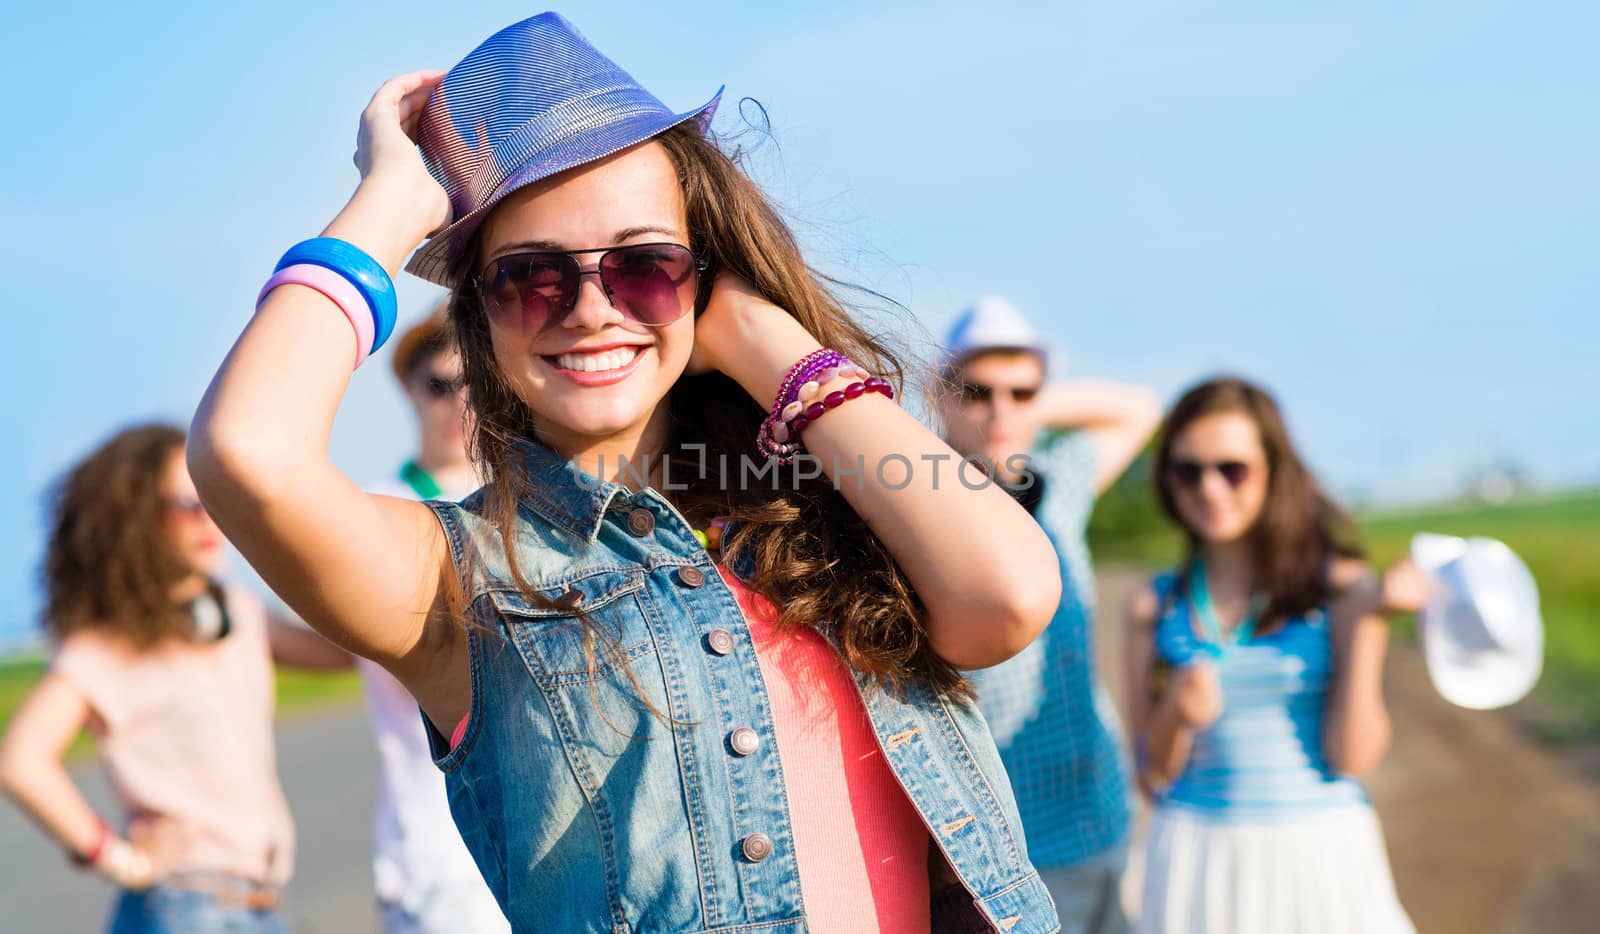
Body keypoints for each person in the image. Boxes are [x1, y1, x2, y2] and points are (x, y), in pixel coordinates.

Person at [188, 12, 1064, 934]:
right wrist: (389, 205)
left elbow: (1008, 595)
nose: (593, 309)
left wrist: (772, 347)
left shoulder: (834, 512)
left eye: (645, 265)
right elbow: (248, 452)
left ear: (707, 277)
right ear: (480, 315)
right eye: (532, 276)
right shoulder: (459, 577)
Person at [0, 424, 349, 933]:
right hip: (186, 907)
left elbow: (346, 652)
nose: (208, 519)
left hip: (257, 905)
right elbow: (20, 762)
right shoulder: (108, 645)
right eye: (187, 504)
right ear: (136, 521)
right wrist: (118, 858)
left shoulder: (236, 614)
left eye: (213, 498)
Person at [1125, 377, 1418, 934]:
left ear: (1273, 471)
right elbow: (1150, 775)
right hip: (1196, 858)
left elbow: (1354, 757)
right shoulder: (1153, 604)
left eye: (1232, 469)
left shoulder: (1343, 587)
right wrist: (1177, 714)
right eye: (1188, 470)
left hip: (1320, 853)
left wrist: (1374, 623)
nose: (1210, 489)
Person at [940, 297, 1161, 933]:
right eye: (976, 390)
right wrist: (991, 406)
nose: (999, 406)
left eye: (1021, 389)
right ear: (944, 394)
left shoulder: (1058, 482)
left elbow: (1139, 408)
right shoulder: (922, 498)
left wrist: (1018, 409)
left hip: (1104, 813)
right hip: (1008, 846)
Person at [360, 309, 508, 933]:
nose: (461, 403)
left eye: (478, 384)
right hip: (435, 846)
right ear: (411, 388)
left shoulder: (527, 493)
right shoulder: (376, 504)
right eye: (442, 385)